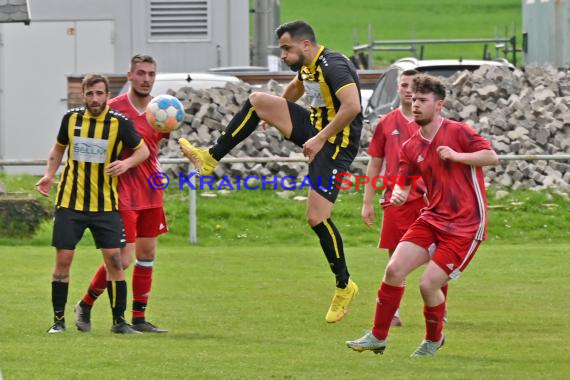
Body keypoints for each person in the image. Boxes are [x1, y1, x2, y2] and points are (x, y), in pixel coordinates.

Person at [179, 20, 363, 323]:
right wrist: (273, 110)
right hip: (316, 131)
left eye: (286, 49)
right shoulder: (309, 65)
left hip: (336, 145)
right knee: (258, 101)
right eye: (281, 49)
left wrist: (318, 139)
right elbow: (297, 86)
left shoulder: (334, 66)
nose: (283, 55)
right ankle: (210, 157)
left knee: (316, 217)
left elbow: (353, 106)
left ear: (305, 45)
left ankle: (345, 285)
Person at [346, 74, 498, 356]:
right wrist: (398, 194)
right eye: (414, 99)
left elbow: (491, 157)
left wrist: (457, 156)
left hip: (466, 225)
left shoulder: (458, 132)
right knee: (393, 269)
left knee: (428, 284)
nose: (416, 105)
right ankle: (378, 337)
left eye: (423, 100)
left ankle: (433, 339)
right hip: (432, 218)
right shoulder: (411, 145)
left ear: (438, 105)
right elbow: (402, 182)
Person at [36, 74, 150, 334]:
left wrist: (126, 163)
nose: (95, 99)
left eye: (100, 93)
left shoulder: (119, 123)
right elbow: (58, 150)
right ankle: (58, 322)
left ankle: (119, 323)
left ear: (107, 95)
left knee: (115, 262)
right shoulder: (71, 119)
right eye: (90, 94)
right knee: (63, 261)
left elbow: (142, 151)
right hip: (70, 203)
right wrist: (48, 175)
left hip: (105, 205)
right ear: (83, 94)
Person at [75, 55, 169, 333]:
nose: (146, 79)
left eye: (151, 74)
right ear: (129, 75)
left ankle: (139, 317)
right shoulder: (113, 108)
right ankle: (86, 303)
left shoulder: (161, 110)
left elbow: (155, 149)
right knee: (123, 259)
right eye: (140, 73)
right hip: (121, 193)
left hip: (152, 190)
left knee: (148, 254)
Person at [362, 69, 430, 327]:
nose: (409, 90)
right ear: (398, 88)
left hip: (428, 200)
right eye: (404, 85)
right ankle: (394, 312)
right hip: (395, 200)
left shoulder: (431, 122)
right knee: (395, 257)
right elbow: (374, 164)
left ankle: (437, 309)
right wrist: (367, 201)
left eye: (414, 86)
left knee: (435, 255)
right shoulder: (386, 123)